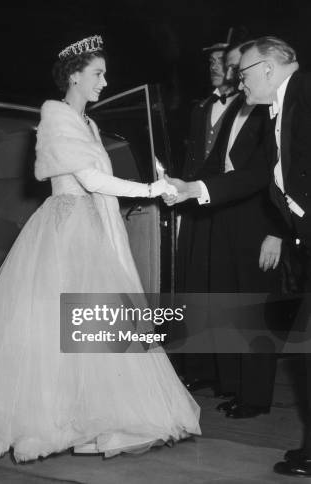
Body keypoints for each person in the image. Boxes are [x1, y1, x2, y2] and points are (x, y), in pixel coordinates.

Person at [0, 35, 201, 462]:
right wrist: (153, 188)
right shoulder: (56, 119)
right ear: (74, 76)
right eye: (98, 73)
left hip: (90, 225)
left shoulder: (87, 124)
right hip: (68, 228)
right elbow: (93, 182)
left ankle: (93, 420)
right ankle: (53, 421)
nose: (105, 82)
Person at [163, 36, 308, 477]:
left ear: (266, 68)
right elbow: (259, 174)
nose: (237, 82)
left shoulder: (305, 96)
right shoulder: (280, 108)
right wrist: (198, 189)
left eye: (242, 73)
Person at [171, 44, 284, 419]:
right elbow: (215, 166)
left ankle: (255, 396)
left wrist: (277, 233)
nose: (233, 74)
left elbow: (272, 176)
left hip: (261, 223)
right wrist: (184, 188)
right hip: (228, 217)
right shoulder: (237, 107)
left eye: (239, 67)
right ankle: (235, 385)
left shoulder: (274, 110)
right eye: (231, 67)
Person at [175, 33, 241, 393]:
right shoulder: (200, 108)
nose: (215, 69)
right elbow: (191, 159)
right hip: (197, 206)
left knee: (224, 291)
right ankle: (199, 368)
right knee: (195, 287)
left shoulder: (251, 105)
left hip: (229, 206)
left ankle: (228, 373)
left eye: (222, 62)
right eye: (210, 63)